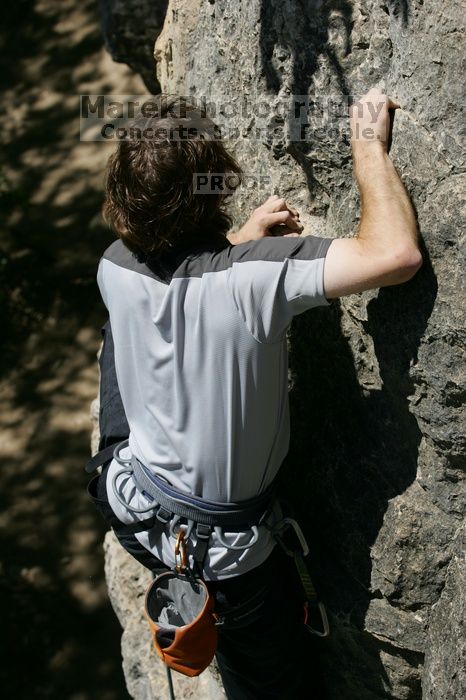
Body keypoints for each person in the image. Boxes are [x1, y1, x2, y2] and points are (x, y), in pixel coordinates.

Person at [90, 88, 422, 699]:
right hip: (228, 562)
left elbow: (188, 286)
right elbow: (395, 255)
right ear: (215, 189)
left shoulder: (115, 264)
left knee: (119, 334)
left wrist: (237, 248)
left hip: (129, 494)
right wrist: (368, 148)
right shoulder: (252, 278)